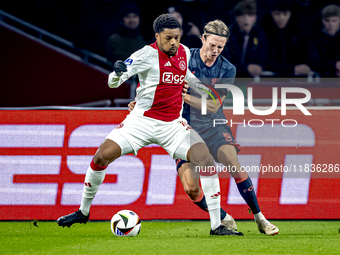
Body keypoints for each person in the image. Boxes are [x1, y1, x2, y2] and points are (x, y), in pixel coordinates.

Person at [56, 14, 243, 236]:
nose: (174, 42)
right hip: (141, 122)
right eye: (168, 38)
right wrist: (116, 73)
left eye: (177, 37)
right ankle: (83, 212)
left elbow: (189, 78)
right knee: (100, 157)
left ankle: (217, 226)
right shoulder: (145, 55)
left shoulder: (183, 52)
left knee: (205, 159)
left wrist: (204, 90)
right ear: (157, 37)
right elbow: (113, 82)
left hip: (172, 125)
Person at [129, 19, 279, 235]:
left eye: (221, 47)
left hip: (214, 126)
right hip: (183, 129)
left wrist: (183, 96)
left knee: (232, 162)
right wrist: (141, 103)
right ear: (203, 39)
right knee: (191, 189)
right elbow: (155, 81)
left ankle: (259, 217)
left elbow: (214, 105)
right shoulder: (184, 57)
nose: (215, 50)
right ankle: (223, 217)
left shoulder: (227, 68)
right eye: (212, 45)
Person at [261, 0, 311, 77]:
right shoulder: (262, 31)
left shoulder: (298, 32)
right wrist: (291, 69)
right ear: (271, 13)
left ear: (290, 13)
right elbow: (263, 60)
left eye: (285, 14)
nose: (281, 18)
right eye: (277, 14)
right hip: (269, 78)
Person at [222, 0, 268, 78]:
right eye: (241, 15)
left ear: (255, 17)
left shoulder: (260, 35)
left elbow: (263, 60)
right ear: (235, 17)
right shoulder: (226, 36)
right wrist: (246, 68)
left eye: (250, 15)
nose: (246, 18)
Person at [305, 4, 340, 77]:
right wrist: (335, 65)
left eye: (334, 21)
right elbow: (314, 63)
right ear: (322, 21)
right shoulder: (312, 39)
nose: (331, 25)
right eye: (327, 21)